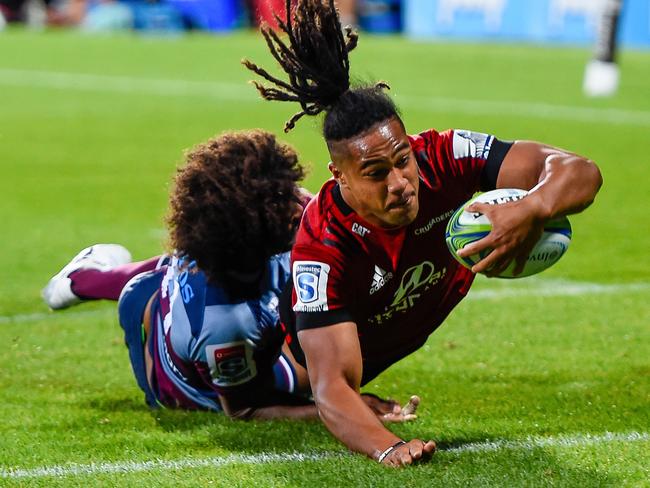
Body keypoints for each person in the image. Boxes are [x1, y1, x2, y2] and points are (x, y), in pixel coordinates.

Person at [243, 0, 603, 467]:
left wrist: (531, 206)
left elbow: (579, 170)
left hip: (361, 323)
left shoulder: (444, 155)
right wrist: (388, 446)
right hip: (275, 358)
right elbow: (330, 387)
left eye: (402, 161)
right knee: (236, 392)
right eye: (374, 173)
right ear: (340, 177)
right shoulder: (323, 247)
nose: (399, 183)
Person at [42, 129, 420, 421]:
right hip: (182, 380)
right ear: (252, 233)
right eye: (283, 200)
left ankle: (84, 277)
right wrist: (351, 408)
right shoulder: (223, 323)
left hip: (205, 285)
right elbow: (245, 409)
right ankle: (81, 279)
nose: (297, 204)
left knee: (166, 269)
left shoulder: (263, 216)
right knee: (308, 380)